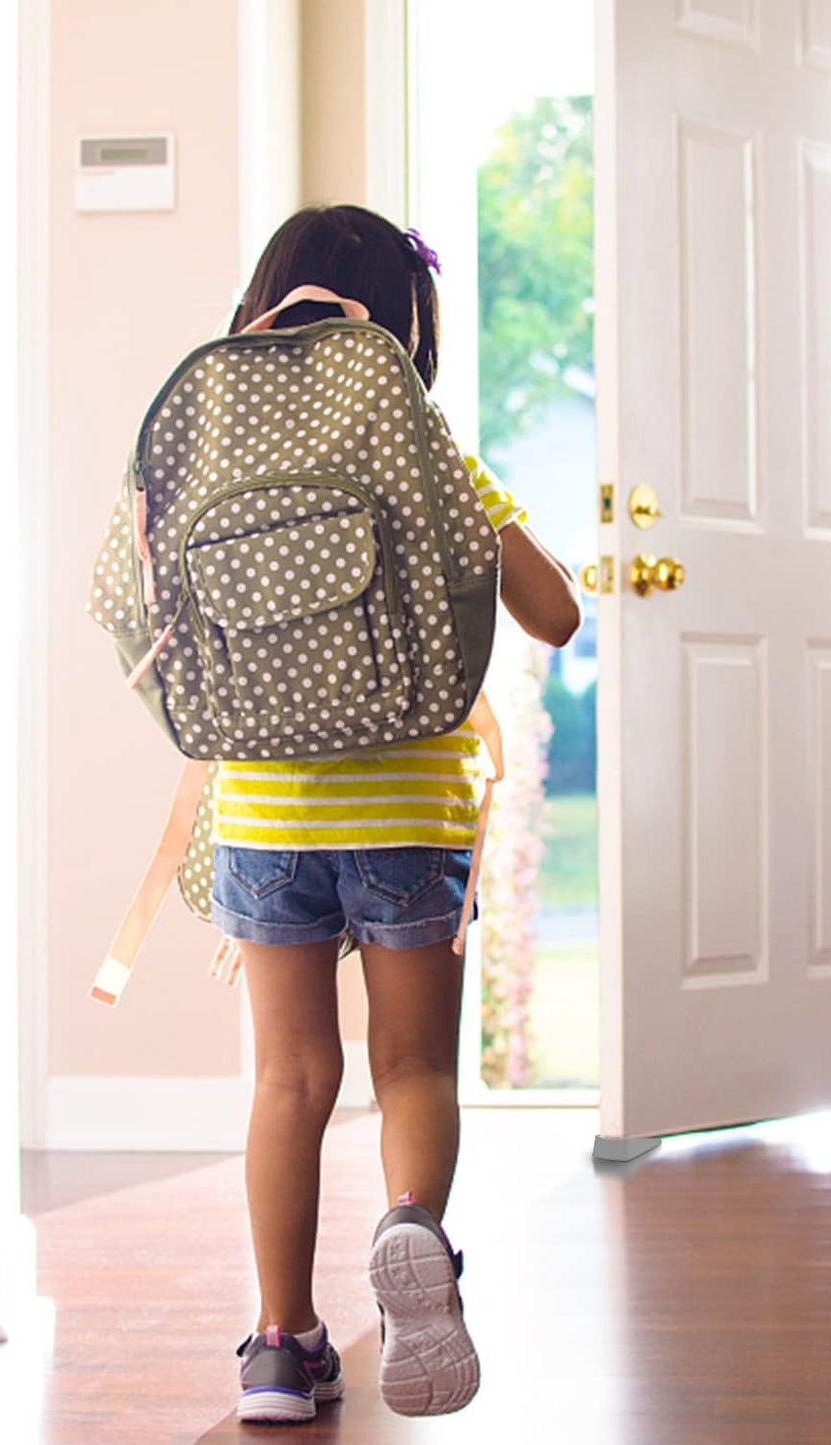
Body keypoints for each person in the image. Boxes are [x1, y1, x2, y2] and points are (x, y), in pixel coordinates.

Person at [214, 205, 581, 1425]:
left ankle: (279, 1342)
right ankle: (413, 1230)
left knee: (287, 1078)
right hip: (408, 807)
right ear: (403, 328)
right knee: (412, 1063)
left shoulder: (213, 437)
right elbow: (554, 613)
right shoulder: (420, 442)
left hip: (264, 803)